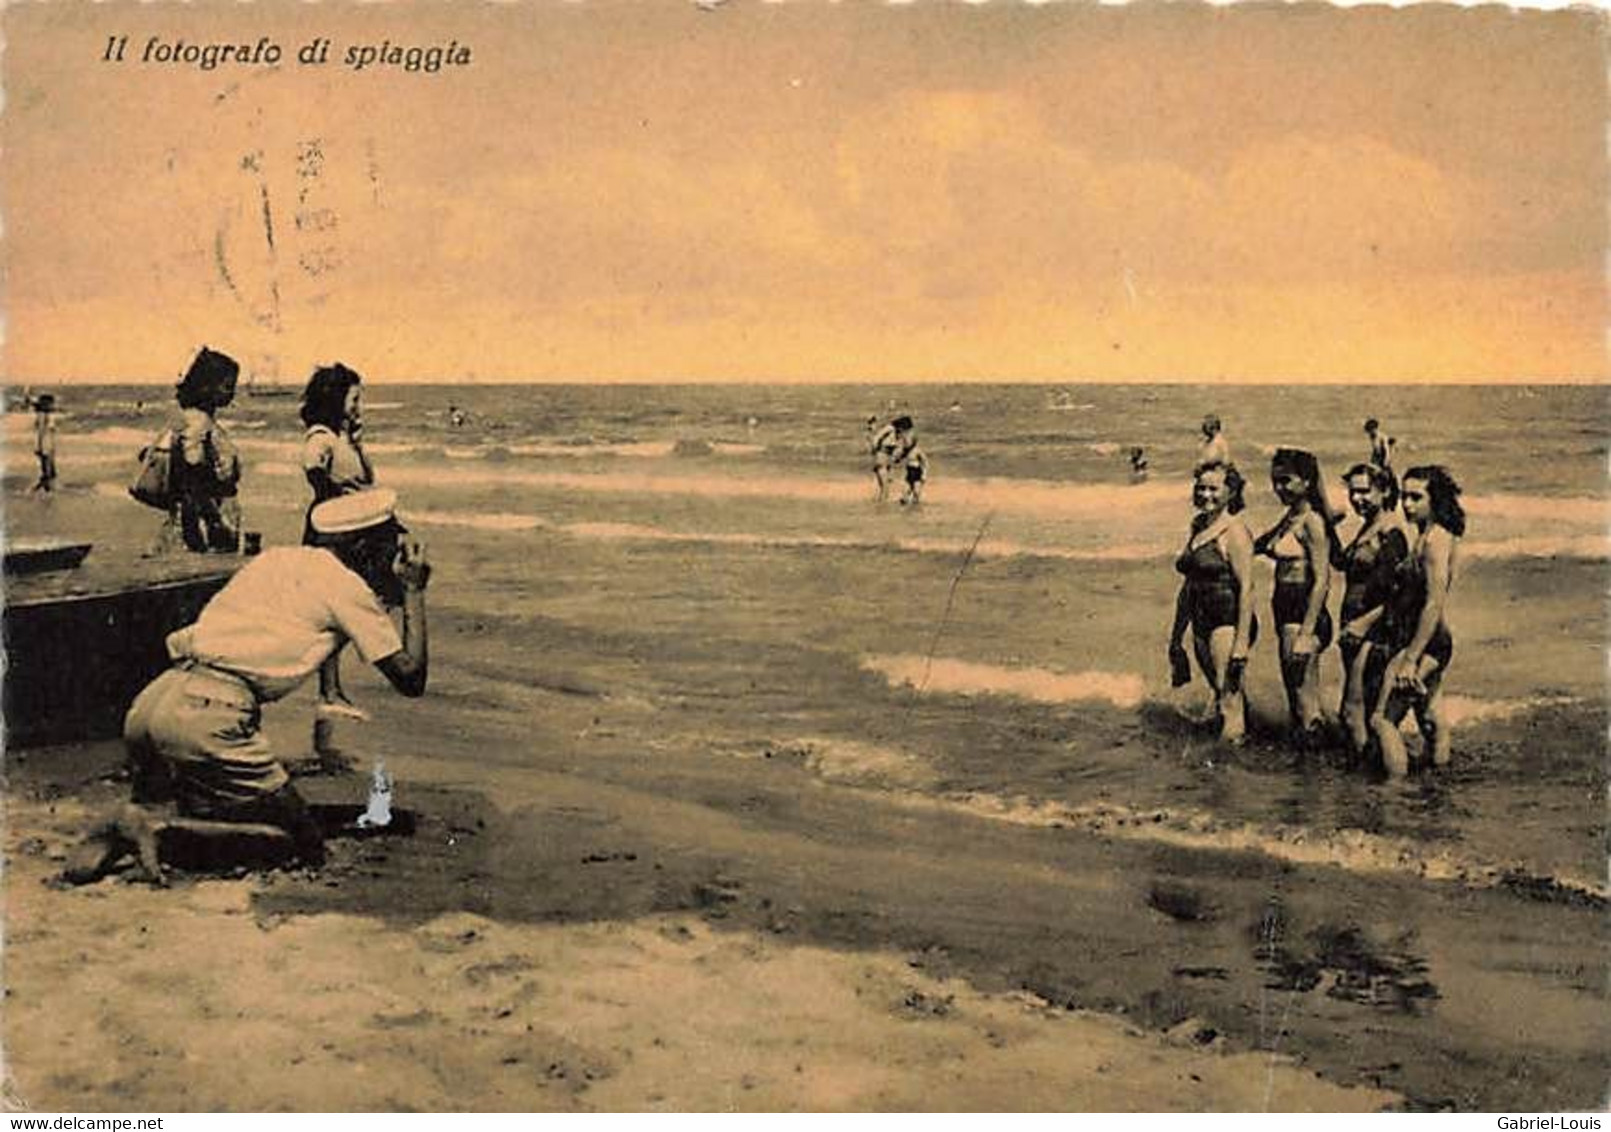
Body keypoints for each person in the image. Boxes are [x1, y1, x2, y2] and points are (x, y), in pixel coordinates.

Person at [61, 488, 431, 886]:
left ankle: (139, 820)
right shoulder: (346, 587)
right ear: (362, 546)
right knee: (301, 844)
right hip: (210, 719)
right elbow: (410, 677)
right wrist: (413, 590)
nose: (396, 551)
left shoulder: (276, 559)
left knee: (220, 814)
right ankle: (161, 833)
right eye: (391, 540)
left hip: (156, 700)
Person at [1369, 466, 1464, 778]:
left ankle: (1396, 792)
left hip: (1428, 642)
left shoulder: (1436, 540)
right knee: (1429, 715)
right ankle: (1441, 777)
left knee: (1383, 720)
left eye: (1415, 497)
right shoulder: (1425, 534)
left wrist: (1410, 660)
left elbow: (1434, 603)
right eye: (1404, 497)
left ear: (1434, 500)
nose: (1406, 505)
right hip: (1428, 640)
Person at [300, 364, 379, 735]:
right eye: (354, 397)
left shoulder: (344, 438)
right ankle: (329, 692)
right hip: (332, 533)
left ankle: (330, 690)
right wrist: (334, 504)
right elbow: (313, 468)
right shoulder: (321, 436)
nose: (359, 404)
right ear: (337, 398)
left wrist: (359, 443)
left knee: (346, 610)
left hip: (350, 531)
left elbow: (368, 479)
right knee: (337, 611)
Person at [1167, 462, 1258, 745]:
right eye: (1200, 488)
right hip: (1201, 619)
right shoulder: (1198, 526)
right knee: (1223, 694)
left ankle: (1228, 770)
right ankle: (1247, 737)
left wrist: (1241, 643)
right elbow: (1188, 585)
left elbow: (1247, 589)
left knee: (1227, 695)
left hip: (1227, 621)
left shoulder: (1235, 532)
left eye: (1213, 489)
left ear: (1230, 492)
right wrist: (1176, 637)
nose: (1206, 495)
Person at [1254, 448, 1340, 742]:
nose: (1278, 488)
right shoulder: (1290, 517)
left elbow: (1322, 581)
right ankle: (1309, 772)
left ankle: (1317, 775)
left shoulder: (1312, 522)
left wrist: (1306, 632)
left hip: (1304, 615)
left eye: (1286, 481)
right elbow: (1260, 544)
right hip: (1286, 613)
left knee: (1305, 703)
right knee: (1296, 700)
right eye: (1275, 481)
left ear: (1306, 482)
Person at [1332, 463, 1409, 756]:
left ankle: (1368, 783)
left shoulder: (1391, 533)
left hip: (1374, 631)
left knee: (1353, 713)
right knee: (1360, 709)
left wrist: (1363, 624)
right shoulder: (1369, 527)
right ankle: (1369, 779)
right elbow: (1342, 562)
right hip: (1355, 629)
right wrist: (1329, 525)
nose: (1356, 499)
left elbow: (1403, 593)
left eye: (1364, 491)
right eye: (1352, 492)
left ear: (1385, 490)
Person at [169, 347, 242, 553]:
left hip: (202, 513)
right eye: (227, 386)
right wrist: (214, 521)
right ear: (208, 386)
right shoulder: (199, 423)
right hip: (209, 515)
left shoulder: (191, 418)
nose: (232, 392)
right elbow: (193, 473)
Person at [31, 393, 58, 493]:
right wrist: (39, 447)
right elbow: (42, 431)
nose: (53, 405)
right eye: (51, 403)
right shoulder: (44, 415)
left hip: (47, 443)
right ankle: (46, 490)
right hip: (46, 444)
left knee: (48, 469)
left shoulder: (44, 414)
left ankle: (45, 489)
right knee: (48, 470)